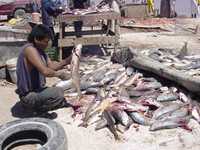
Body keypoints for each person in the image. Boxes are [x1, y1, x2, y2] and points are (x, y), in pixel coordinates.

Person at [15, 24, 78, 119]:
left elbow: (52, 66)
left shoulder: (41, 51)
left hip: (37, 90)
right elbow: (45, 71)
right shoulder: (30, 50)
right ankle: (35, 110)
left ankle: (37, 104)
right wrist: (59, 74)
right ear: (36, 39)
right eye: (46, 41)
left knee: (61, 91)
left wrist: (68, 59)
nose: (48, 44)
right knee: (58, 94)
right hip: (28, 95)